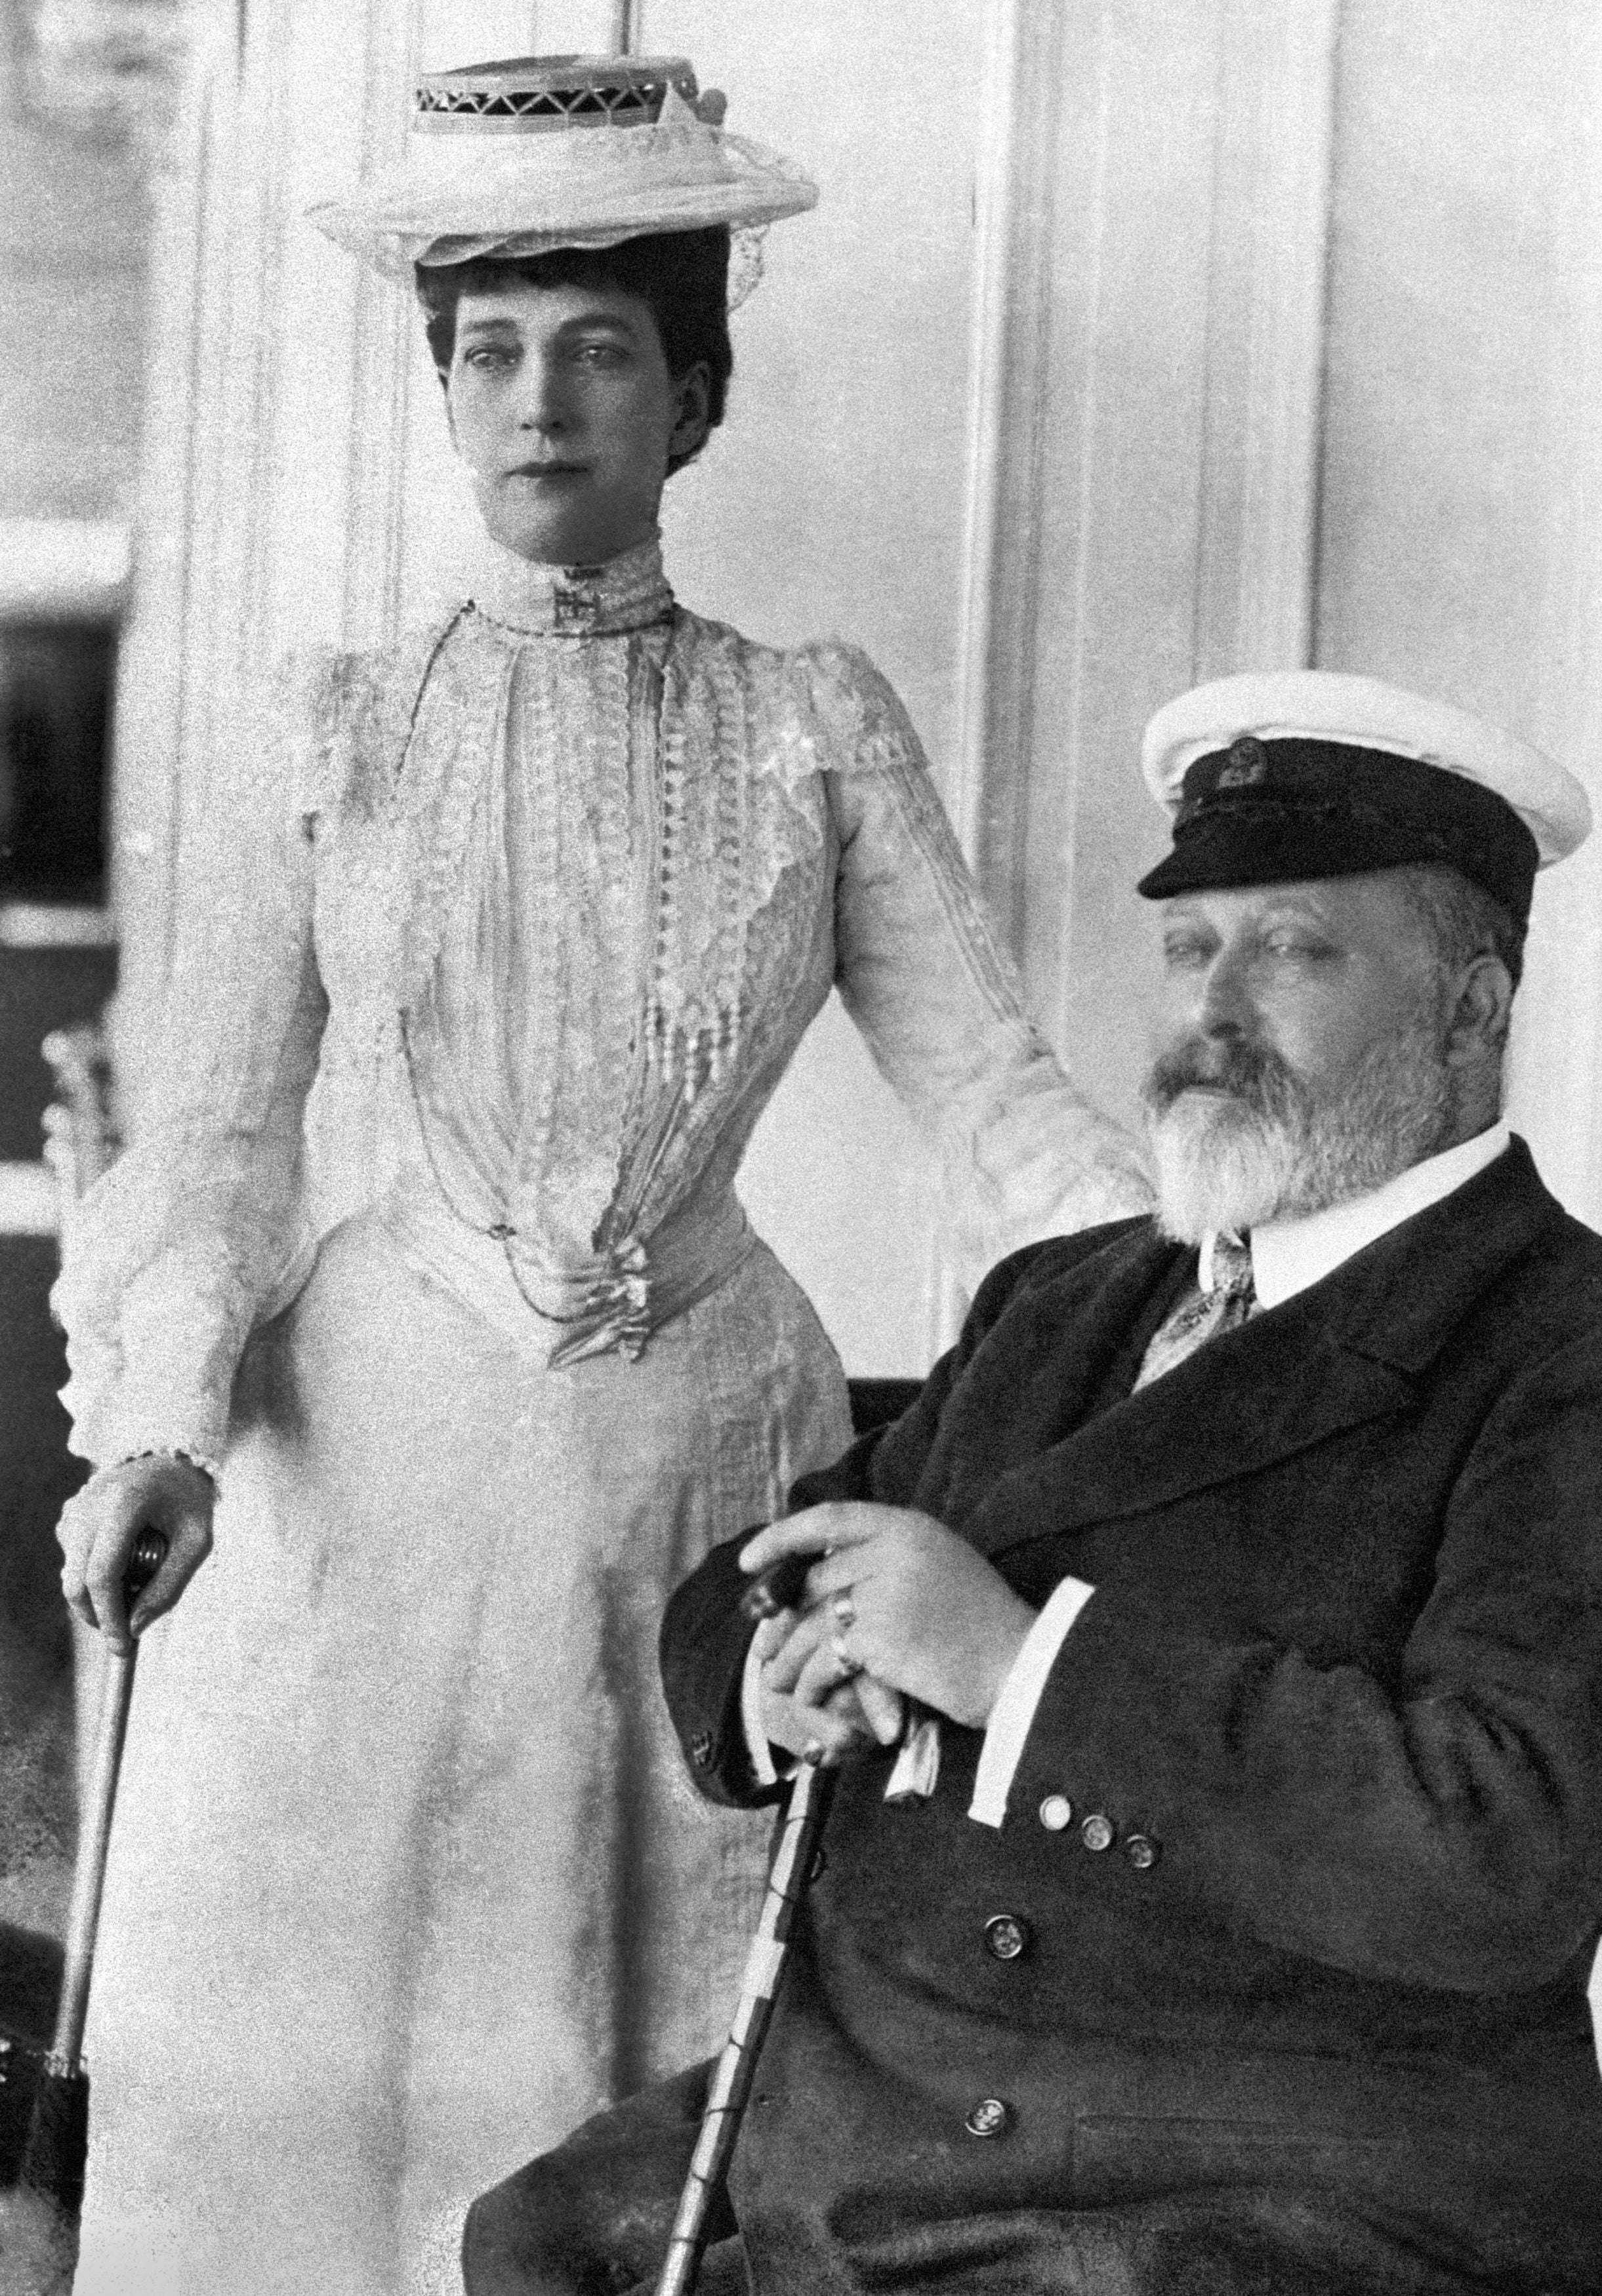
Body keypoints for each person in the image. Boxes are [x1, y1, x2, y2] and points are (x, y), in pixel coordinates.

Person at [50, 52, 1147, 2296]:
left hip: (692, 1475)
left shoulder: (806, 721)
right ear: (445, 397)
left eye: (602, 350)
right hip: (366, 1475)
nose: (541, 402)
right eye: (492, 356)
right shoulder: (338, 725)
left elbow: (995, 1095)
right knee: (331, 2090)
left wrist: (1224, 1317)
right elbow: (225, 1136)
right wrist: (163, 1417)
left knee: (633, 2082)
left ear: (693, 395)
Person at [467, 668, 1602, 2296]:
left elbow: (1502, 1845)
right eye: (1189, 947)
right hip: (895, 2112)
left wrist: (1014, 1665)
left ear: (1473, 1008)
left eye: (1291, 948)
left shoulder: (1561, 1346)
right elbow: (757, 1577)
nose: (1211, 1011)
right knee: (517, 2244)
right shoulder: (1065, 1300)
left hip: (1265, 2185)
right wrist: (787, 1679)